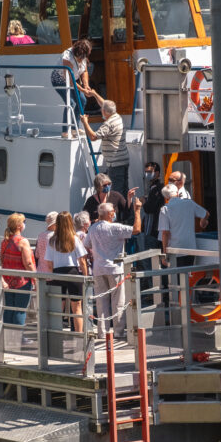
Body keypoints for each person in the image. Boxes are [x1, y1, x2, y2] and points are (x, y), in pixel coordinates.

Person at [85, 192, 142, 339]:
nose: (115, 213)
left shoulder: (92, 228)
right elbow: (136, 230)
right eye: (114, 212)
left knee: (101, 301)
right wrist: (137, 211)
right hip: (115, 268)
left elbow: (87, 245)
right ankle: (118, 331)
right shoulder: (116, 228)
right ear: (110, 214)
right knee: (118, 301)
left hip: (98, 267)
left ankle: (102, 332)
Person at [45, 212, 89, 334]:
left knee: (57, 307)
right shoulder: (74, 239)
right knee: (77, 308)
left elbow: (49, 263)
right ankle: (79, 335)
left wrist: (51, 276)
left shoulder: (52, 240)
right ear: (70, 223)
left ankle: (57, 335)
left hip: (57, 273)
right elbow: (82, 261)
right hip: (72, 273)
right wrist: (85, 277)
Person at [80, 99, 129, 193]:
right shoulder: (117, 117)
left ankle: (117, 208)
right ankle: (126, 207)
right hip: (123, 160)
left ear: (104, 112)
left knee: (116, 192)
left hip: (115, 163)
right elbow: (105, 105)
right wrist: (94, 95)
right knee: (124, 190)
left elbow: (93, 137)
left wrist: (85, 122)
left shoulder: (109, 124)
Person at [0, 213, 36, 334]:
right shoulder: (22, 241)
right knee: (20, 310)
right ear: (19, 226)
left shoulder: (5, 241)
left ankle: (7, 336)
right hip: (22, 281)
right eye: (24, 222)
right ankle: (17, 337)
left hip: (8, 280)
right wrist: (36, 278)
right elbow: (28, 263)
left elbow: (2, 260)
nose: (25, 224)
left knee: (9, 309)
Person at [158, 184, 209, 267]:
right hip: (190, 247)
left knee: (177, 277)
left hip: (175, 249)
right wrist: (202, 223)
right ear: (177, 193)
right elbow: (206, 214)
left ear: (166, 198)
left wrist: (164, 253)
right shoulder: (189, 203)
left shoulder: (165, 209)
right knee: (188, 276)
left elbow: (165, 233)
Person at [52, 39, 94, 129]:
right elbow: (70, 80)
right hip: (60, 80)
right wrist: (83, 90)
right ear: (78, 53)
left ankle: (75, 128)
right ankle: (65, 131)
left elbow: (84, 71)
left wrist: (86, 85)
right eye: (81, 58)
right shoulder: (67, 57)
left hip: (73, 79)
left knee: (82, 101)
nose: (82, 60)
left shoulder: (83, 55)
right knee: (70, 103)